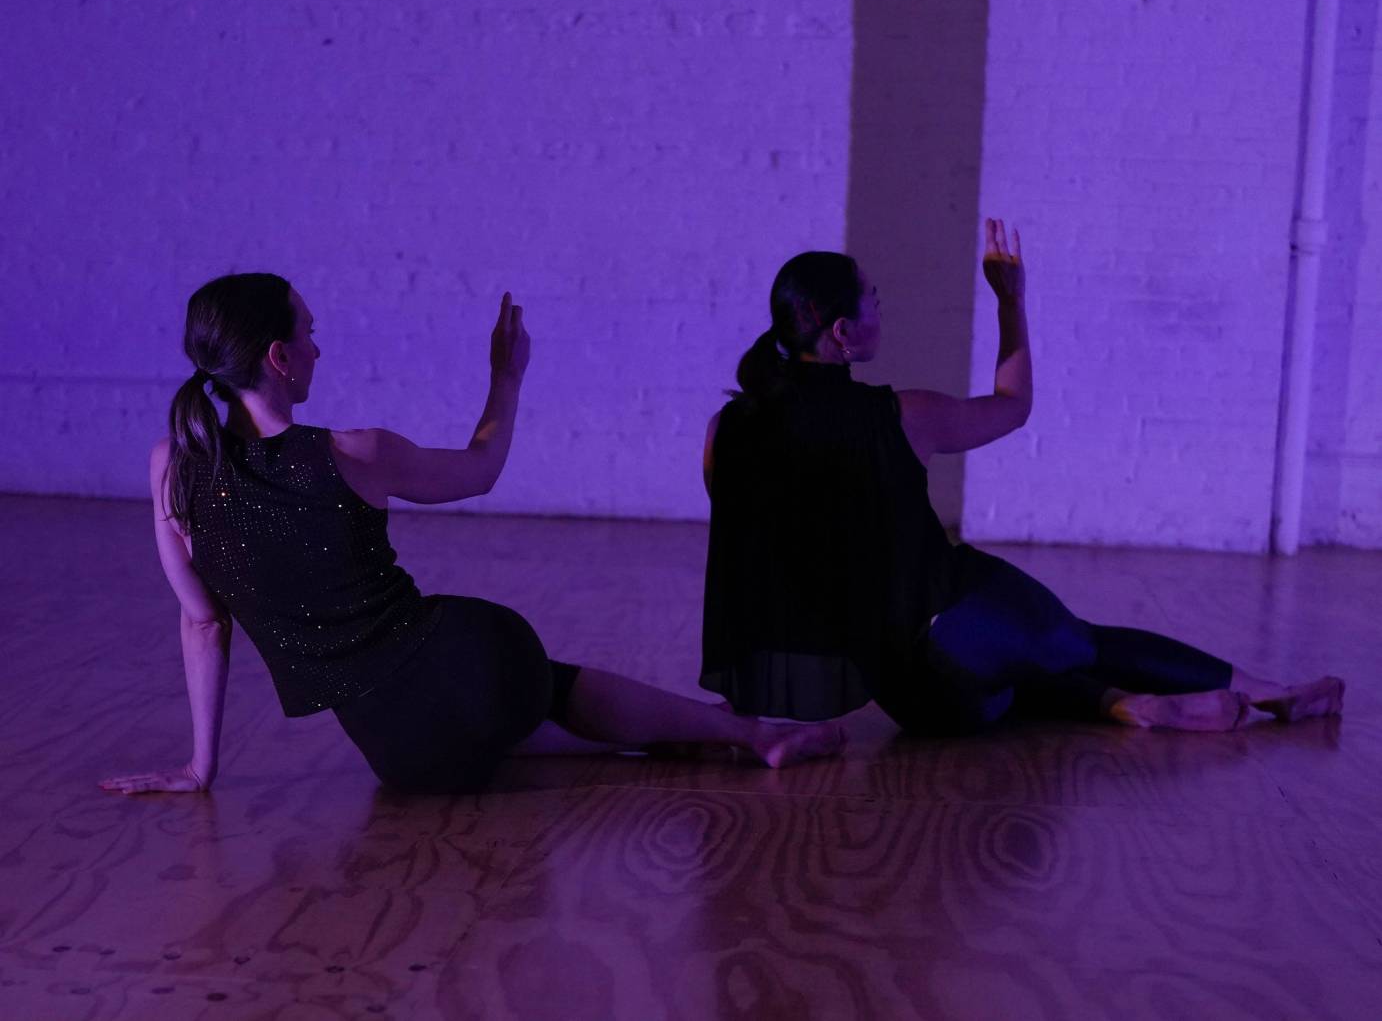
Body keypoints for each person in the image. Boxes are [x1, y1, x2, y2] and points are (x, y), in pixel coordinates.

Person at [100, 274, 846, 796]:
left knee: (515, 724)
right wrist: (506, 377)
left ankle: (711, 732)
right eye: (311, 334)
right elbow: (480, 468)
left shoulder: (172, 469)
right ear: (278, 357)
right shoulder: (353, 452)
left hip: (404, 756)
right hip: (482, 659)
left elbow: (203, 623)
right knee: (548, 691)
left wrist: (201, 767)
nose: (318, 350)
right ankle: (743, 732)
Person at [699, 220, 1345, 734]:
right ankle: (1270, 691)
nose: (881, 310)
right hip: (958, 633)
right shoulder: (901, 416)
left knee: (1017, 673)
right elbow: (1014, 404)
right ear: (842, 332)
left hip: (917, 702)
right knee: (1083, 642)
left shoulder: (725, 433)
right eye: (873, 300)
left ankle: (1126, 706)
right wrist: (1011, 300)